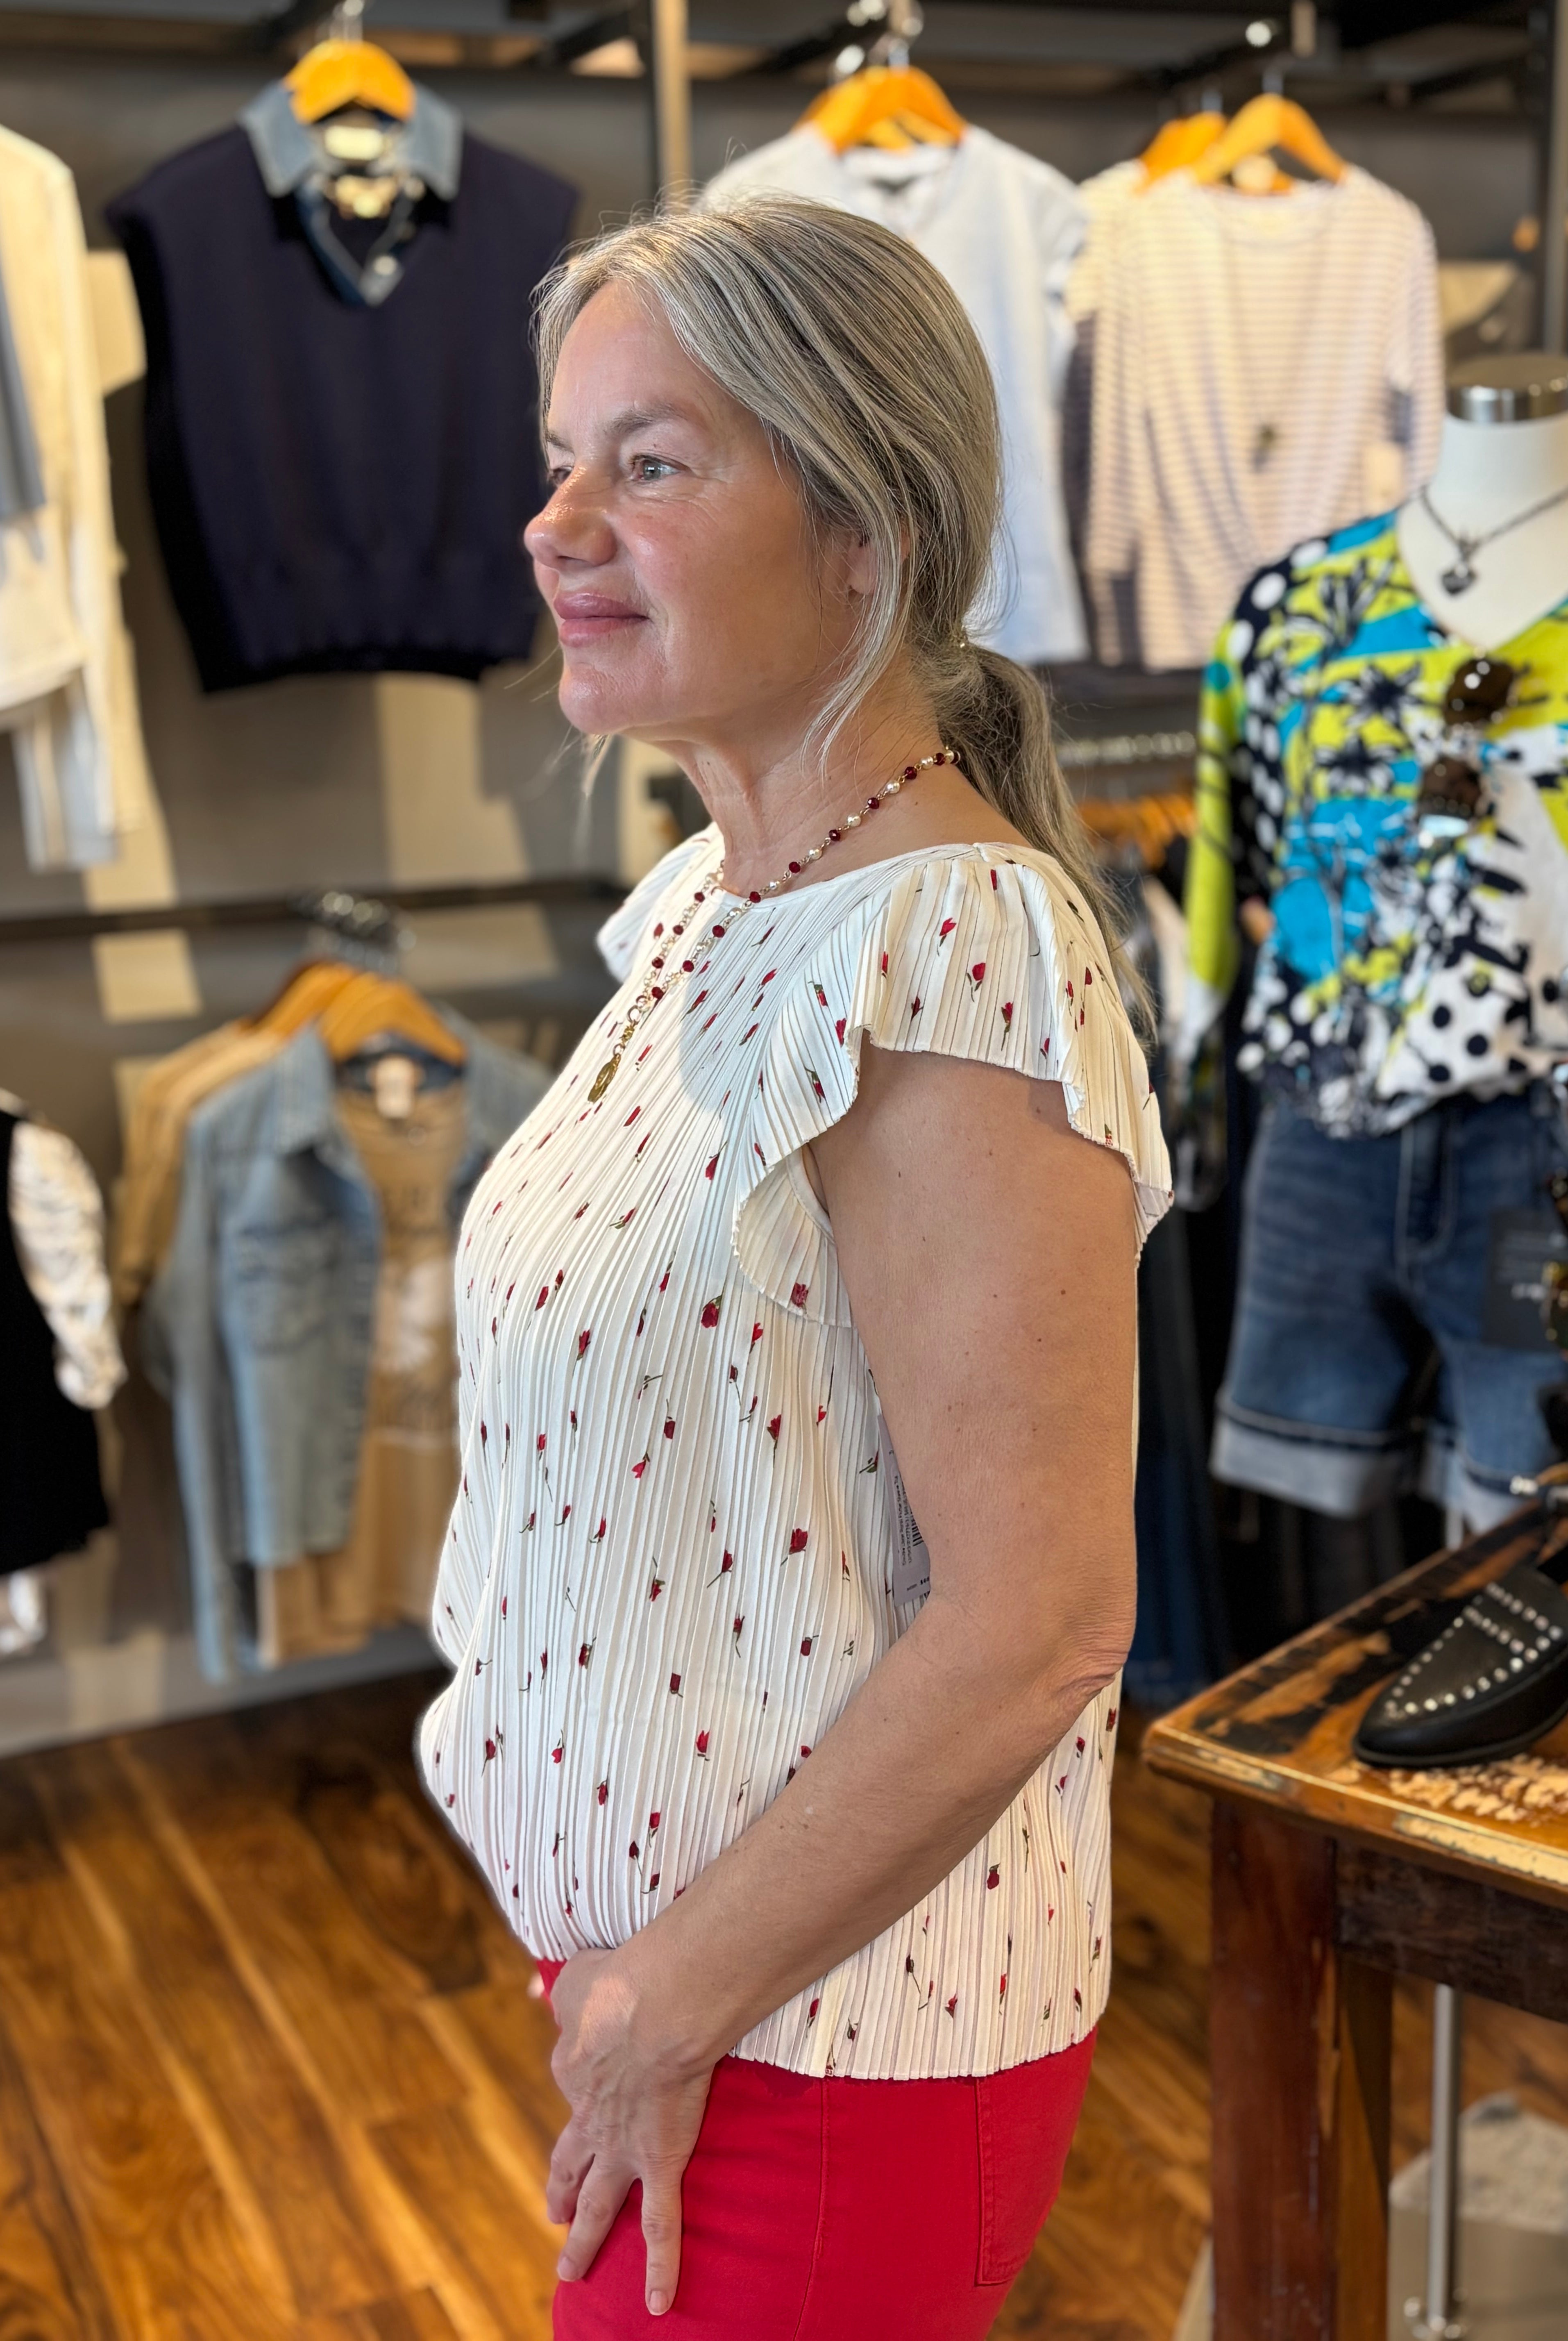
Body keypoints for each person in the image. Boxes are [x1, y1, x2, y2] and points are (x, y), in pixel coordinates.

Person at [418, 192, 1171, 2339]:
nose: (559, 527)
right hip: (695, 1988)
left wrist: (669, 1996)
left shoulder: (950, 951)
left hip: (827, 2038)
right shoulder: (712, 903)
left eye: (650, 464)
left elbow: (1040, 1624)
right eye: (559, 461)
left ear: (868, 533)